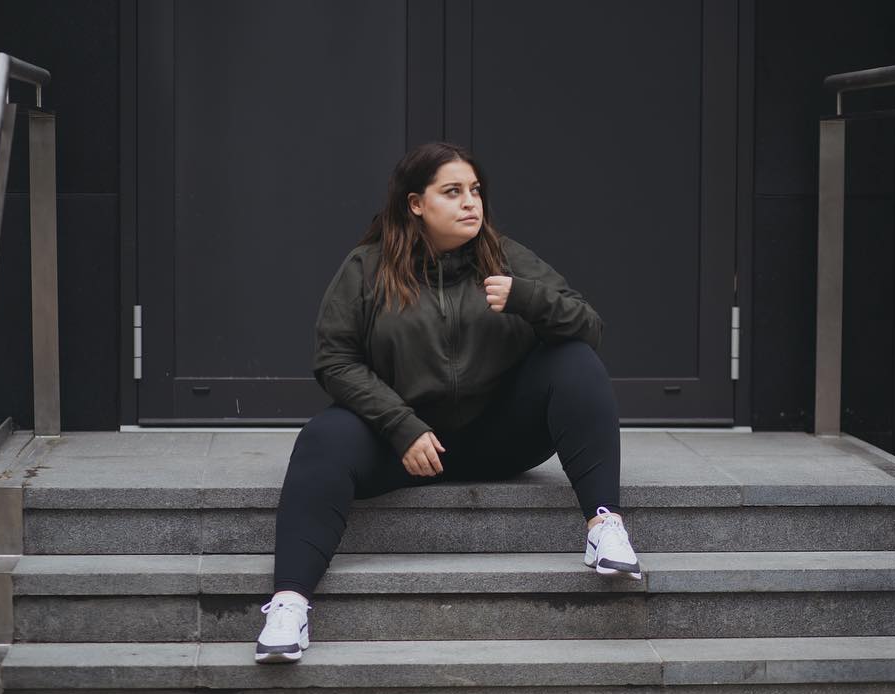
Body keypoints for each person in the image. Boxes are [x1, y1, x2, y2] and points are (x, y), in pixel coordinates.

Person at [254, 141, 640, 664]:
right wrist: (400, 424)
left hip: (498, 439)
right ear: (416, 203)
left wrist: (528, 299)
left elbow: (589, 328)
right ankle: (289, 603)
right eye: (452, 192)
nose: (470, 203)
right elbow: (334, 360)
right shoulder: (367, 268)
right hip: (403, 447)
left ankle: (603, 525)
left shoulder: (504, 257)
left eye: (475, 190)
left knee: (574, 361)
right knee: (324, 436)